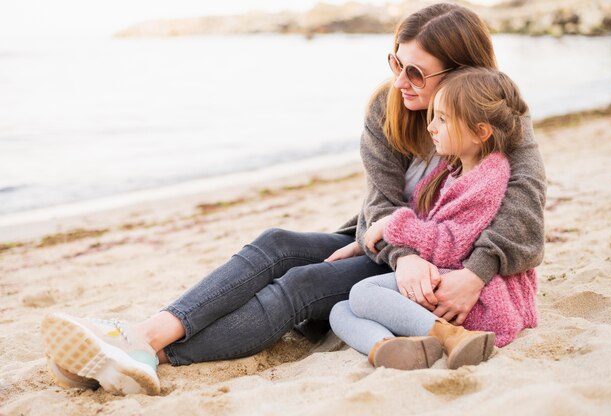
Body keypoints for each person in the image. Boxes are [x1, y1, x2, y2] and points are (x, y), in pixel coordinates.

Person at [39, 3, 546, 395]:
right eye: (397, 62)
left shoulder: (497, 119)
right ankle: (145, 335)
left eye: (417, 72)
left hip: (446, 266)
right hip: (391, 248)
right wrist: (404, 254)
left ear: (461, 71)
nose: (401, 81)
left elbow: (524, 215)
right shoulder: (387, 107)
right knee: (276, 242)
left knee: (302, 284)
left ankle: (154, 353)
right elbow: (380, 202)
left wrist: (475, 273)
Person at [329, 67, 539, 371]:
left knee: (364, 293)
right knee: (340, 311)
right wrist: (363, 242)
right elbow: (425, 217)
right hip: (445, 276)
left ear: (481, 132)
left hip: (471, 295)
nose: (431, 127)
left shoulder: (488, 178)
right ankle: (388, 348)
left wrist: (392, 225)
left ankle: (451, 336)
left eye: (442, 119)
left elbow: (453, 245)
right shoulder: (454, 170)